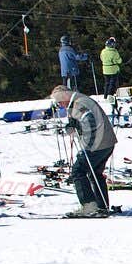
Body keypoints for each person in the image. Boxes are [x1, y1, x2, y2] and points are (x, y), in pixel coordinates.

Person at [52, 84, 116, 217]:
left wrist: (86, 147)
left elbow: (89, 124)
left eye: (59, 102)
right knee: (95, 173)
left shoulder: (79, 104)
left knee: (78, 171)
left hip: (97, 144)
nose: (61, 106)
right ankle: (101, 206)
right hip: (106, 142)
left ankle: (89, 206)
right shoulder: (80, 100)